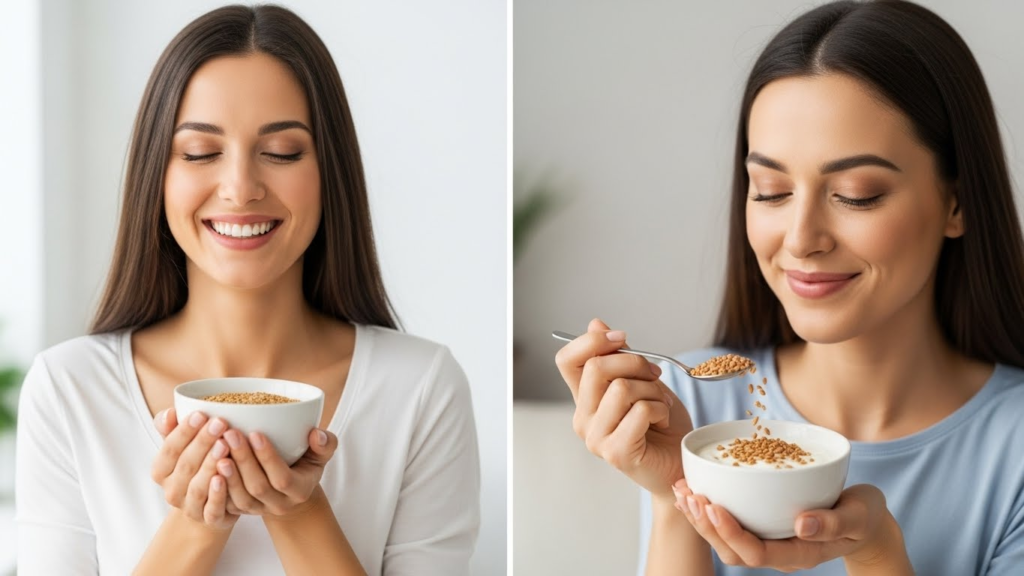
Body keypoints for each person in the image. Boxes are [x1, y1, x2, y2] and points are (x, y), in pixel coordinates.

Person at [555, 1, 1024, 574]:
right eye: (772, 191)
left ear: (957, 202)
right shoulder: (692, 406)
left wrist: (877, 551)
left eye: (856, 193)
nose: (801, 240)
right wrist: (677, 494)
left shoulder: (1013, 448)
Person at [16, 5, 480, 575]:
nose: (240, 188)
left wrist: (299, 511)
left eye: (282, 152)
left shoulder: (420, 389)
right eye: (200, 153)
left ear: (329, 170)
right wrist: (195, 524)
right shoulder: (70, 391)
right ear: (156, 175)